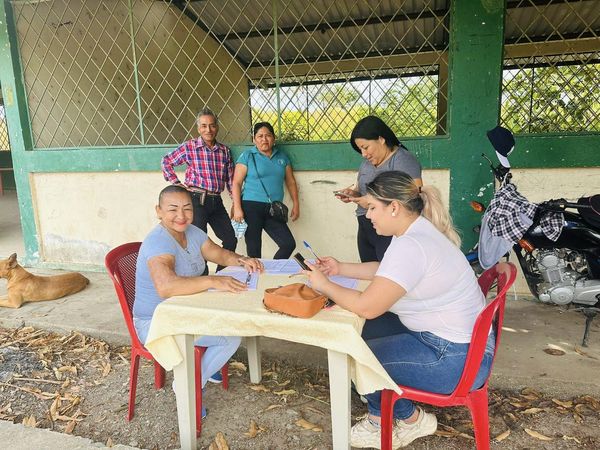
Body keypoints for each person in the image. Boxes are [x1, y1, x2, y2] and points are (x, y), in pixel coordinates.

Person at [304, 171, 493, 449]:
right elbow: (388, 271)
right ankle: (406, 416)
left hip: (455, 361)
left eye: (372, 208)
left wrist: (324, 285)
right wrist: (340, 268)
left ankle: (389, 421)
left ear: (394, 207)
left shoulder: (412, 245)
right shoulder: (416, 231)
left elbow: (367, 307)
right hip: (464, 347)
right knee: (362, 334)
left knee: (355, 355)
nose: (368, 215)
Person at [133, 185, 264, 416]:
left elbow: (220, 254)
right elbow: (166, 287)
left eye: (187, 208)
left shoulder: (192, 232)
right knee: (229, 337)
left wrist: (243, 260)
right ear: (159, 211)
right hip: (157, 322)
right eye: (173, 209)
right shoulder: (158, 242)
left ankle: (201, 372)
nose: (181, 215)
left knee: (230, 321)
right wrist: (212, 280)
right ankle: (186, 387)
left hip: (184, 312)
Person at [336, 116, 423, 340]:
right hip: (367, 223)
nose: (364, 154)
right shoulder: (367, 163)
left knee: (390, 276)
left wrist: (368, 201)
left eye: (366, 147)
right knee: (373, 274)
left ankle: (394, 323)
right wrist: (354, 194)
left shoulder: (403, 160)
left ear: (381, 138)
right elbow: (361, 187)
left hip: (388, 228)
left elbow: (413, 195)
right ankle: (377, 318)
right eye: (360, 149)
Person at [161, 108, 236, 272]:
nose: (208, 130)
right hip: (195, 201)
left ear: (217, 127)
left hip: (216, 201)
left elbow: (230, 180)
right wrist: (176, 183)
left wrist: (236, 203)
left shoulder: (224, 151)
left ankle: (221, 275)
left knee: (231, 239)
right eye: (204, 126)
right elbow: (166, 161)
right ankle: (203, 279)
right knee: (198, 243)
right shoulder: (190, 147)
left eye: (212, 125)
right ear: (198, 128)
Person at [231, 122, 299, 259]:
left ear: (273, 138)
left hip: (274, 209)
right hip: (251, 207)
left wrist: (296, 204)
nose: (264, 139)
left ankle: (272, 269)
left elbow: (290, 181)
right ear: (254, 139)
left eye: (268, 135)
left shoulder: (282, 157)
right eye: (260, 136)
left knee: (288, 244)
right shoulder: (247, 156)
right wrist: (237, 208)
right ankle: (257, 273)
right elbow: (236, 183)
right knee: (254, 251)